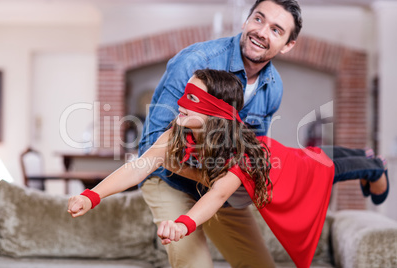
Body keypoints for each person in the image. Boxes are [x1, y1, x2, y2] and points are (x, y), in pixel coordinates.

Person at [68, 69, 389, 268]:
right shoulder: (176, 133)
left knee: (328, 166)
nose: (182, 102)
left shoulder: (237, 154)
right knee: (321, 155)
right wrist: (92, 196)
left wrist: (183, 224)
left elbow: (216, 196)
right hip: (276, 167)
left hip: (286, 171)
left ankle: (373, 166)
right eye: (185, 94)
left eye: (193, 99)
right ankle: (366, 158)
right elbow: (138, 168)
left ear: (216, 113)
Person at [137, 0, 302, 266]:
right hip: (168, 178)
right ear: (246, 20)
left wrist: (230, 186)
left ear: (287, 45)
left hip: (217, 187)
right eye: (258, 19)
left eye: (276, 30)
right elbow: (150, 146)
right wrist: (216, 180)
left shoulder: (273, 88)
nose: (261, 31)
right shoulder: (195, 62)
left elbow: (250, 154)